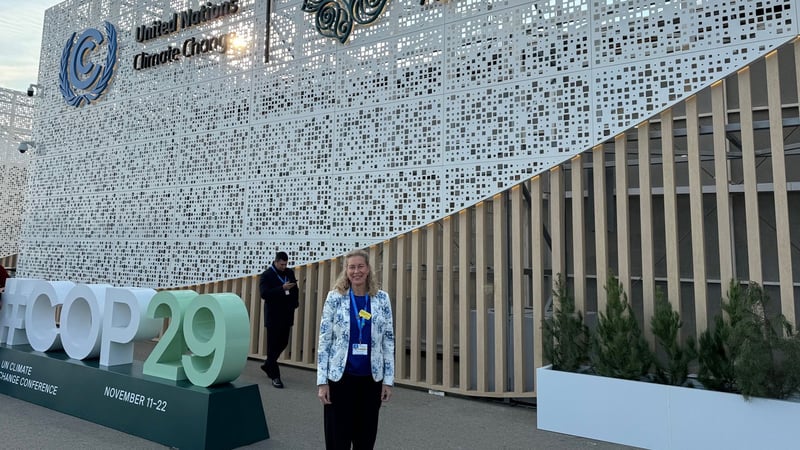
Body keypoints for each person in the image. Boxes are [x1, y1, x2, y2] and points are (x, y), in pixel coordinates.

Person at [316, 249, 395, 449]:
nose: (356, 271)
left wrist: (388, 380)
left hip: (370, 381)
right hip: (340, 380)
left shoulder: (381, 299)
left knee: (365, 439)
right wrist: (322, 382)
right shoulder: (335, 297)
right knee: (337, 439)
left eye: (360, 266)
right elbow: (325, 341)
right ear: (346, 270)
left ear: (368, 269)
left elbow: (388, 341)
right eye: (352, 267)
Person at [259, 251, 299, 388]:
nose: (284, 266)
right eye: (281, 264)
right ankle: (275, 376)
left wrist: (295, 304)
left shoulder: (289, 272)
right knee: (272, 345)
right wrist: (281, 288)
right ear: (276, 262)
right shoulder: (267, 275)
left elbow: (295, 289)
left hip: (286, 314)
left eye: (286, 264)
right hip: (273, 315)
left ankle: (268, 364)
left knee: (283, 342)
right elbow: (264, 294)